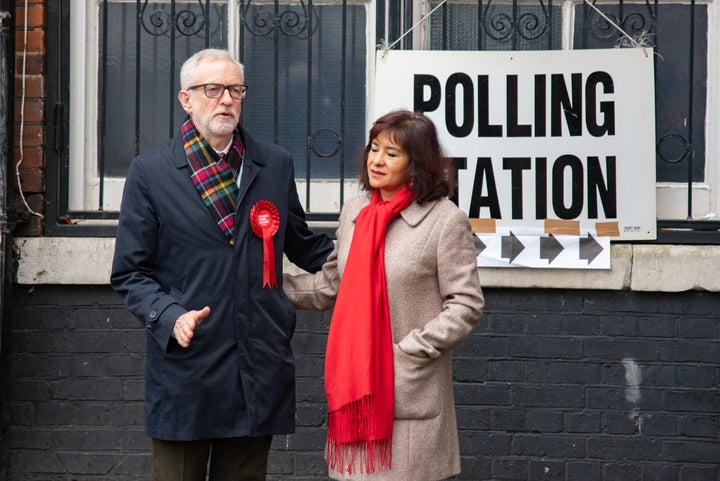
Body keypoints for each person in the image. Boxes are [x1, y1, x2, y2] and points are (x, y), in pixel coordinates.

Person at [110, 48, 334, 481]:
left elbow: (302, 245)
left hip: (257, 363)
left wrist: (372, 253)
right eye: (212, 89)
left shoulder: (274, 164)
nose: (226, 99)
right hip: (187, 367)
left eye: (235, 89)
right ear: (186, 99)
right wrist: (169, 316)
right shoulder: (151, 172)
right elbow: (129, 272)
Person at [283, 109, 485, 480]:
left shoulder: (444, 220)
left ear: (416, 163)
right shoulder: (355, 212)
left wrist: (410, 351)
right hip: (354, 393)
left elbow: (466, 304)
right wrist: (270, 287)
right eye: (374, 149)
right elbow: (331, 284)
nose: (376, 160)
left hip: (407, 390)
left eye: (391, 154)